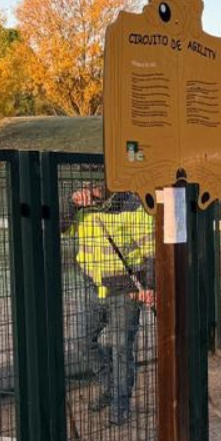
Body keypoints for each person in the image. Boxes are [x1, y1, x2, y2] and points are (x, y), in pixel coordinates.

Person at [69, 183, 154, 426]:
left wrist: (148, 286)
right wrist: (71, 203)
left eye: (96, 185)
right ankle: (110, 386)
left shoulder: (133, 207)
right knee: (82, 340)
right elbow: (59, 225)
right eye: (87, 184)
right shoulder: (82, 207)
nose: (90, 189)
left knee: (121, 348)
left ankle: (120, 402)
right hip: (92, 286)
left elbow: (151, 251)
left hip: (124, 290)